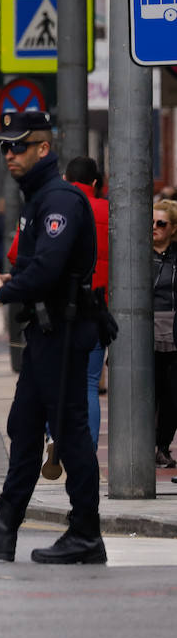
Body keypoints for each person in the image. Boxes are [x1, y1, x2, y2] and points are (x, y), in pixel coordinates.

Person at [0, 111, 105, 564]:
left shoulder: (58, 199)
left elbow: (50, 271)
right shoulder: (39, 198)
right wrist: (9, 275)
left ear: (44, 148)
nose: (9, 154)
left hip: (64, 332)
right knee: (23, 427)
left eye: (19, 146)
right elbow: (37, 266)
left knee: (71, 436)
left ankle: (86, 535)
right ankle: (3, 529)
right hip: (46, 332)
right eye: (5, 147)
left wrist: (4, 291)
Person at [65, 156, 109, 448]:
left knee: (58, 378)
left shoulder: (57, 207)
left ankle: (55, 438)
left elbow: (18, 254)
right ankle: (88, 450)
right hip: (99, 308)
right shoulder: (111, 211)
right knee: (90, 383)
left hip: (63, 306)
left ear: (67, 180)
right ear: (96, 183)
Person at [152, 200, 177, 472]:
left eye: (162, 223)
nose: (155, 228)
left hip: (174, 329)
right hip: (147, 330)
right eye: (151, 223)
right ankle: (145, 446)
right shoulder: (139, 255)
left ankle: (162, 447)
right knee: (150, 394)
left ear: (173, 228)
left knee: (172, 396)